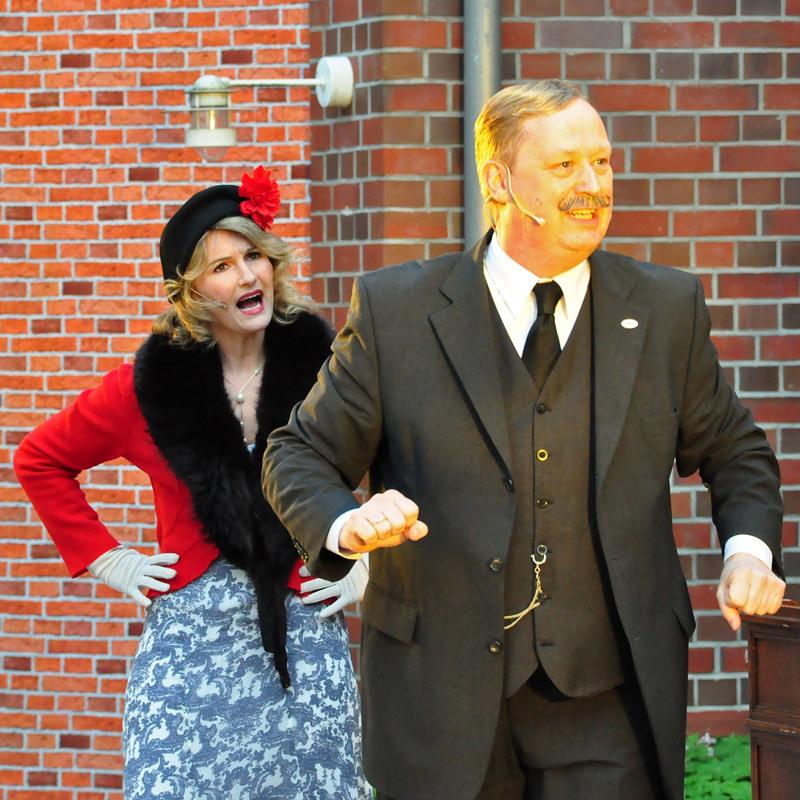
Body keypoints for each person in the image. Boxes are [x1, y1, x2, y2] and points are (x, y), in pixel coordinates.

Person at [262, 80, 786, 800]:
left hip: (609, 700)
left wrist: (747, 552)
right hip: (438, 697)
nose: (593, 185)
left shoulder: (666, 308)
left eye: (601, 162)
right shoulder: (397, 310)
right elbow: (298, 453)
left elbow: (736, 451)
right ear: (499, 181)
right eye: (565, 165)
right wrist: (346, 525)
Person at [14, 167, 372, 800]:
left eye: (254, 256)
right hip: (188, 652)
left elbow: (403, 460)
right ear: (192, 291)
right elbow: (39, 459)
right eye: (223, 267)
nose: (248, 276)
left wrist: (368, 562)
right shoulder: (147, 390)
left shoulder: (330, 374)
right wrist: (108, 558)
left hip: (305, 645)